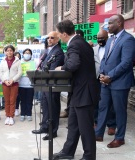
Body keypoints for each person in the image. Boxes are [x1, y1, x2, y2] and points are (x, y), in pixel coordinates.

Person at [53, 20, 99, 160]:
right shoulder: (81, 42)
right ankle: (68, 151)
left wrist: (61, 67)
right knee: (73, 125)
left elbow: (73, 64)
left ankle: (89, 156)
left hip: (84, 92)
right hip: (78, 92)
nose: (59, 38)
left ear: (65, 34)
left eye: (59, 35)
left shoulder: (74, 44)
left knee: (85, 128)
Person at [95, 14, 135, 148]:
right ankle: (98, 133)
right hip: (106, 81)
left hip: (120, 82)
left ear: (119, 23)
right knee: (103, 107)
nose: (107, 26)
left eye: (110, 23)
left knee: (119, 111)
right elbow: (105, 60)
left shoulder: (128, 39)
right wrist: (102, 74)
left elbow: (126, 63)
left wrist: (110, 76)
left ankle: (120, 137)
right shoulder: (110, 39)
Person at [32, 31, 64, 141]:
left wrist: (43, 70)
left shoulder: (58, 52)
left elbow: (52, 69)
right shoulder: (47, 51)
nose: (49, 39)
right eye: (48, 38)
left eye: (52, 38)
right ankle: (45, 127)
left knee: (53, 108)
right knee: (45, 107)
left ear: (57, 39)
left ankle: (53, 131)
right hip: (44, 83)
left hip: (52, 84)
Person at [93, 30, 116, 136]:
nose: (100, 40)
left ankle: (111, 125)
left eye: (102, 38)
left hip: (109, 78)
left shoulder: (112, 47)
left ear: (107, 37)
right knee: (97, 102)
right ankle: (97, 122)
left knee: (110, 103)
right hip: (97, 78)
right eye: (98, 38)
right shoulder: (94, 49)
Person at [0, 45, 22, 125]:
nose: (9, 52)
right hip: (5, 84)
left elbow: (19, 73)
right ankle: (7, 116)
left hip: (14, 84)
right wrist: (4, 80)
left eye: (11, 50)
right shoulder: (2, 61)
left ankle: (11, 116)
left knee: (12, 101)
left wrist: (13, 80)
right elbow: (0, 72)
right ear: (5, 52)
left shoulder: (17, 61)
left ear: (13, 51)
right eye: (7, 50)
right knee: (6, 101)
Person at [19, 48, 35, 121]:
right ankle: (22, 114)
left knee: (29, 100)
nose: (27, 55)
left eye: (29, 53)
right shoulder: (20, 62)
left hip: (30, 85)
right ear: (23, 54)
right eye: (26, 53)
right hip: (21, 85)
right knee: (22, 101)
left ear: (31, 55)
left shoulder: (33, 63)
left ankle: (29, 114)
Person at [14, 51, 21, 116]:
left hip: (21, 82)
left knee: (20, 96)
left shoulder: (21, 63)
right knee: (15, 97)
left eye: (19, 56)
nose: (17, 57)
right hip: (14, 82)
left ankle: (19, 109)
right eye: (16, 56)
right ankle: (16, 108)